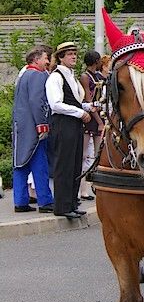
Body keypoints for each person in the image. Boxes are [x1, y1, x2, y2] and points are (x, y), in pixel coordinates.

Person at [46, 42, 94, 218]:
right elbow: (56, 104)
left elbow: (72, 101)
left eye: (74, 53)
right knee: (64, 165)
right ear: (60, 57)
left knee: (74, 165)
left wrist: (88, 107)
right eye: (69, 54)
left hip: (73, 124)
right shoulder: (55, 77)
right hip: (62, 124)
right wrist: (80, 112)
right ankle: (62, 206)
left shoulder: (71, 76)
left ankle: (72, 203)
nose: (73, 56)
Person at [11, 46, 54, 213]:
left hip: (21, 126)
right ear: (36, 59)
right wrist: (42, 124)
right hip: (34, 127)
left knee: (21, 164)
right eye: (45, 58)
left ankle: (20, 201)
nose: (48, 61)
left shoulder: (24, 75)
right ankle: (45, 201)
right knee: (39, 164)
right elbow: (37, 102)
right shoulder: (37, 75)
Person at [79, 50, 103, 200]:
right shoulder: (85, 77)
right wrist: (100, 121)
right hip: (90, 118)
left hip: (99, 115)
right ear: (95, 61)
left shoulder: (99, 76)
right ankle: (82, 189)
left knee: (98, 155)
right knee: (83, 155)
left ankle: (97, 186)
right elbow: (88, 100)